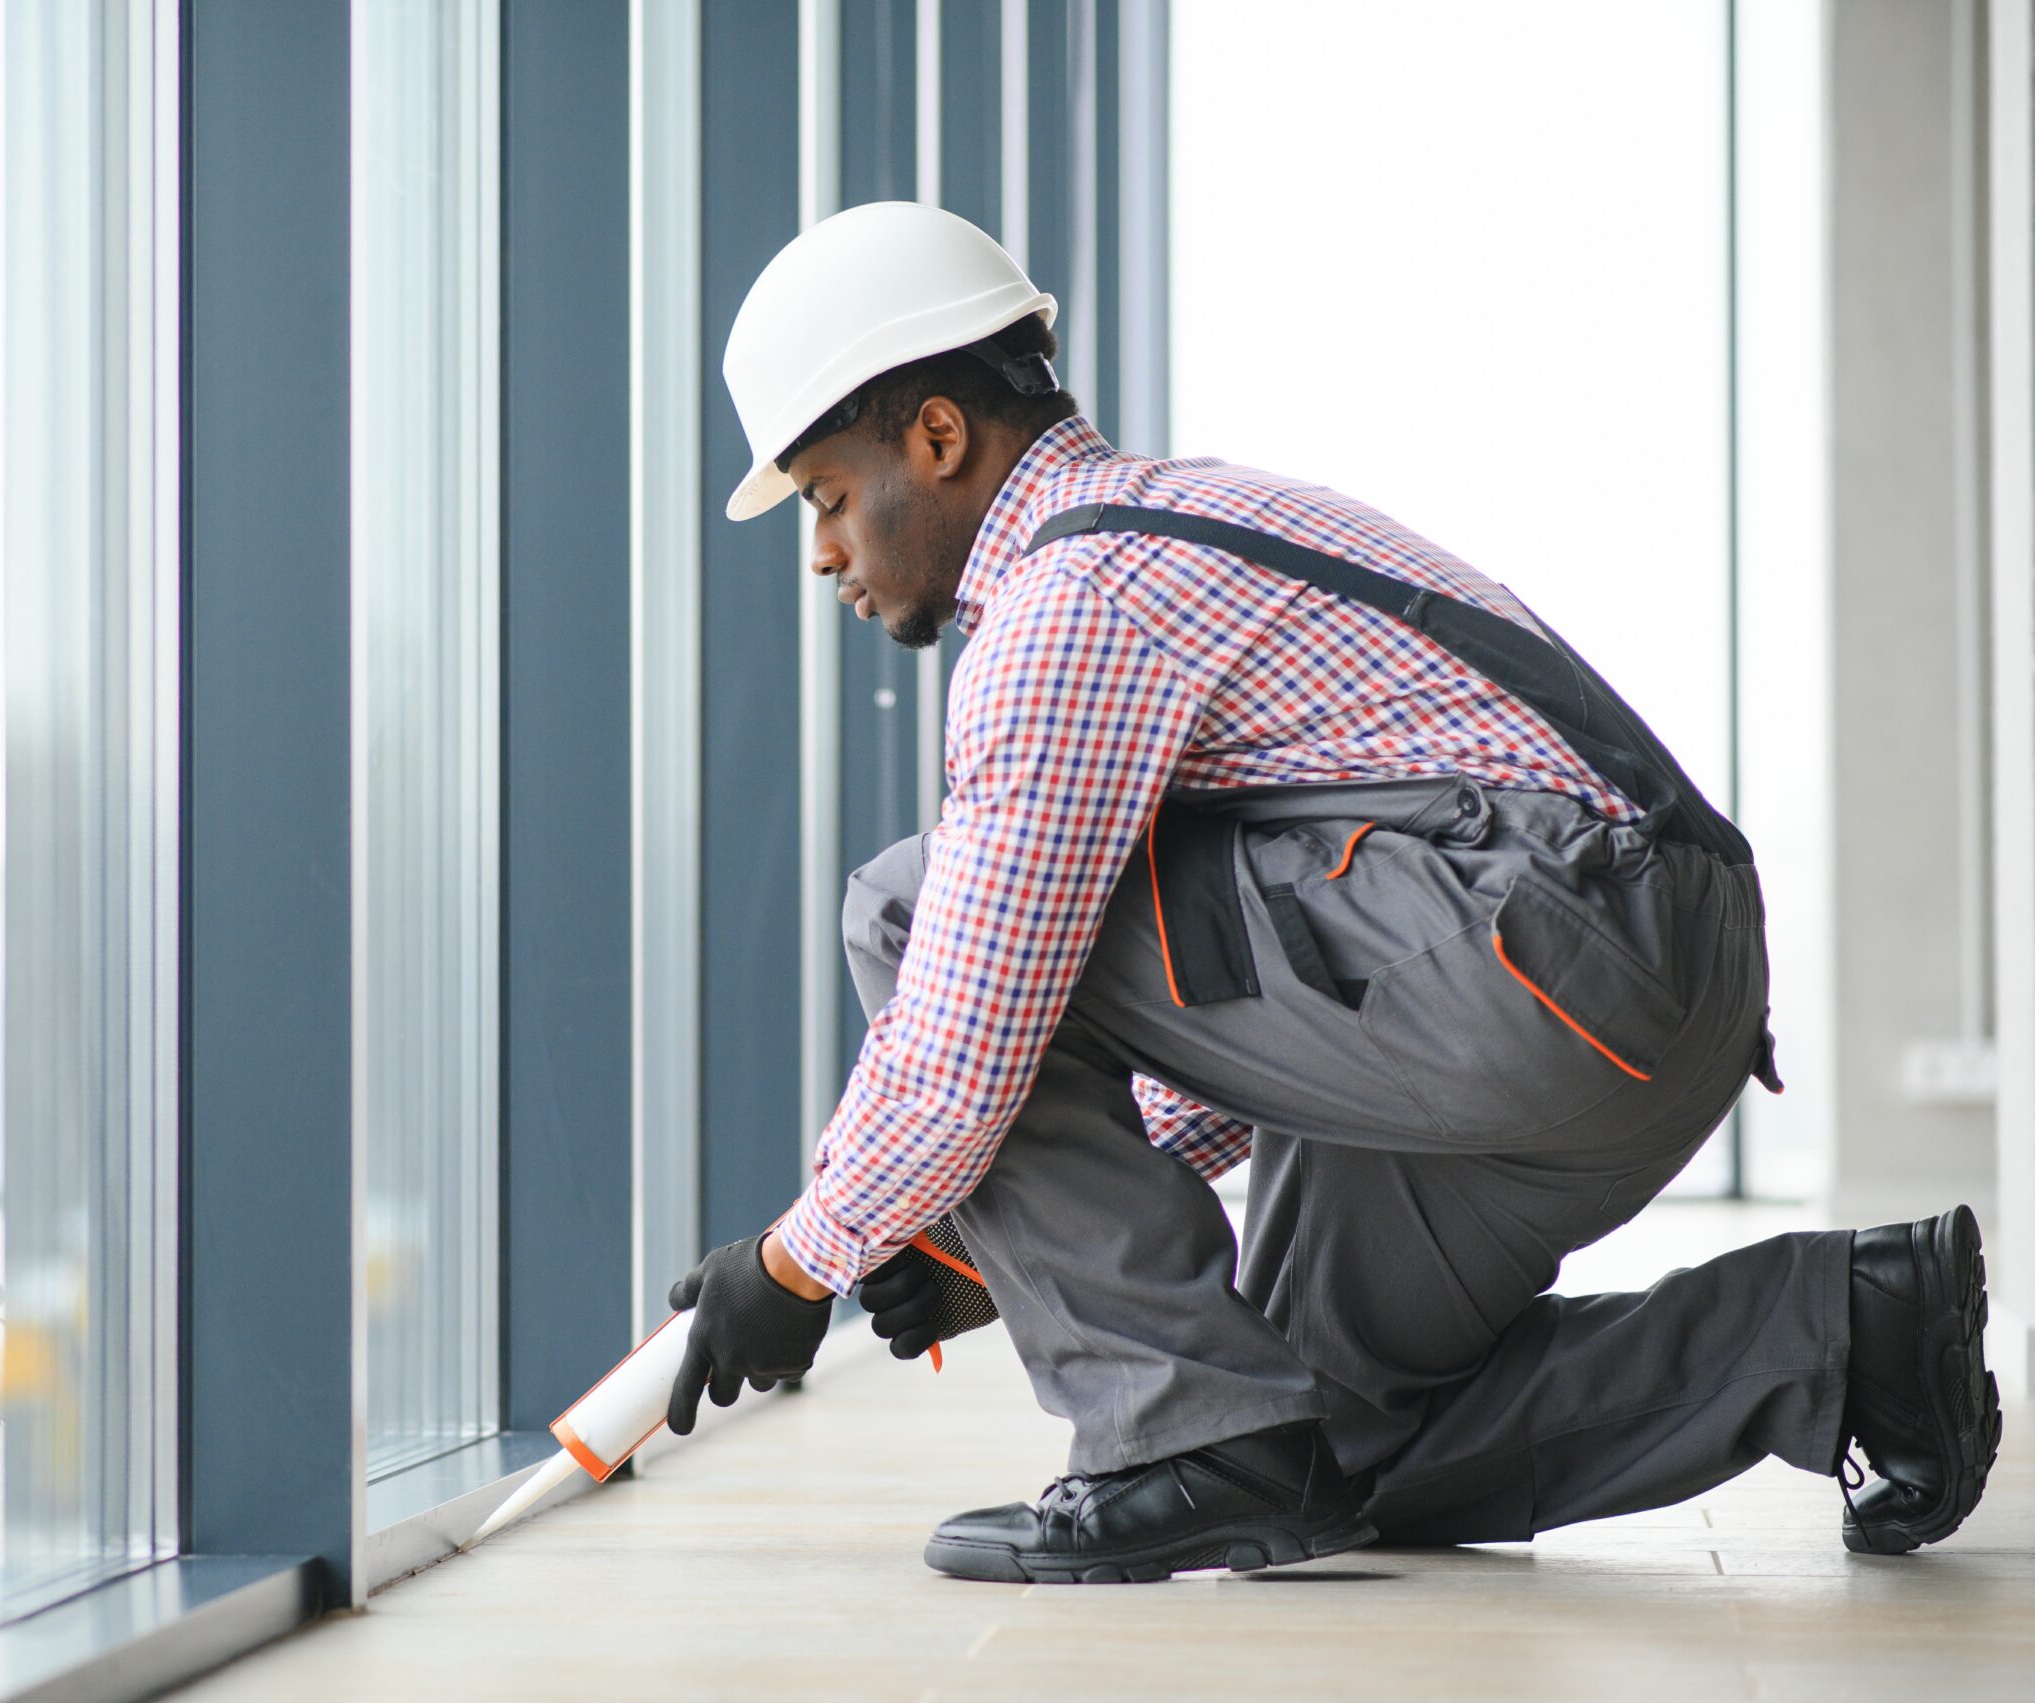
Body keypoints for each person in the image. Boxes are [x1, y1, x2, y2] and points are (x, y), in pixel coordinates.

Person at [660, 201, 2002, 1584]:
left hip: (1549, 953)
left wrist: (794, 1265)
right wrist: (1007, 1245)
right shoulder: (1178, 523)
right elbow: (1256, 992)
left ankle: (1173, 1436)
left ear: (936, 438)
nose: (822, 551)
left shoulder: (1073, 601)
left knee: (910, 910)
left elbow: (969, 1029)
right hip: (1615, 976)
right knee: (1316, 1451)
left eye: (825, 496)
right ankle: (1844, 1333)